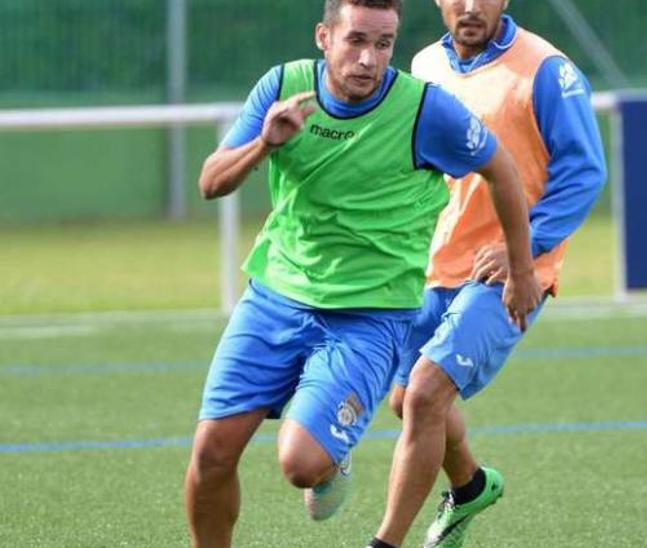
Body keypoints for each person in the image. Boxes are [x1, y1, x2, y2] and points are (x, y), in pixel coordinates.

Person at [183, 0, 541, 546]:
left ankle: (330, 458)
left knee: (301, 464)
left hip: (368, 317)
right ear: (324, 37)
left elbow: (502, 171)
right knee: (211, 455)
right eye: (356, 41)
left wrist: (521, 268)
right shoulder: (283, 86)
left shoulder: (424, 110)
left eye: (384, 43)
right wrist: (265, 143)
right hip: (275, 298)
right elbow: (211, 182)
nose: (369, 59)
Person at [367, 1, 606, 546]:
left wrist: (527, 249)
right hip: (435, 263)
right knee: (405, 401)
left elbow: (584, 171)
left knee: (426, 394)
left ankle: (385, 542)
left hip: (512, 269)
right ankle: (470, 485)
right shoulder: (425, 65)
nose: (470, 5)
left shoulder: (547, 69)